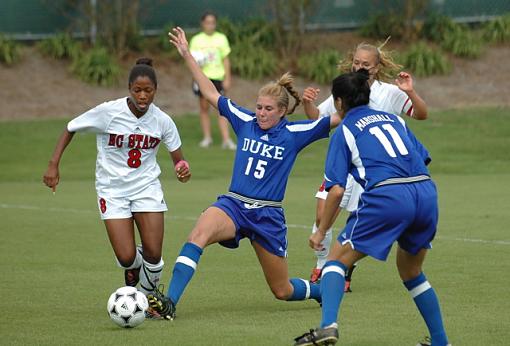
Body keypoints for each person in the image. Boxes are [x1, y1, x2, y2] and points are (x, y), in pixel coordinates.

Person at [146, 27, 340, 321]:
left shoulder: (295, 133)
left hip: (268, 216)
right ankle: (169, 303)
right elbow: (211, 92)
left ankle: (322, 291)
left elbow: (340, 118)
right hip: (233, 205)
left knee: (282, 290)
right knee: (198, 233)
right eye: (259, 107)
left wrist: (364, 97)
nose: (261, 113)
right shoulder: (245, 121)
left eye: (268, 109)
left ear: (283, 112)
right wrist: (187, 54)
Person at [293, 70, 449, 346]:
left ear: (339, 102)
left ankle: (328, 325)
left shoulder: (345, 130)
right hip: (425, 193)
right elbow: (421, 159)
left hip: (389, 196)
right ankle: (440, 341)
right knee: (411, 272)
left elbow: (337, 190)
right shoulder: (394, 120)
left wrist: (321, 232)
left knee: (335, 261)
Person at [42, 58, 191, 315]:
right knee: (126, 258)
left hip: (146, 188)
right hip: (112, 190)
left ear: (156, 89)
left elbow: (179, 160)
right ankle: (138, 271)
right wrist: (53, 164)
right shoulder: (108, 112)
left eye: (148, 90)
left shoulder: (163, 121)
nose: (143, 96)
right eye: (137, 90)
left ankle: (146, 301)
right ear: (129, 89)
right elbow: (70, 128)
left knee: (154, 254)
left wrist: (182, 170)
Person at [303, 40, 429, 291]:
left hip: (374, 171)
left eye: (366, 64)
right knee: (322, 213)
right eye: (357, 62)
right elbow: (320, 118)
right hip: (345, 164)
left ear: (377, 66)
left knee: (357, 219)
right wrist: (308, 104)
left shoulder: (389, 92)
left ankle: (341, 268)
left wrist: (410, 91)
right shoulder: (346, 88)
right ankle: (322, 266)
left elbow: (421, 113)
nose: (360, 67)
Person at [189, 11, 236, 150]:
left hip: (218, 77)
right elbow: (192, 61)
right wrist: (195, 77)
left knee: (222, 108)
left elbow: (226, 59)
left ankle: (226, 140)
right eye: (207, 22)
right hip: (203, 78)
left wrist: (227, 78)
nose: (210, 25)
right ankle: (207, 138)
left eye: (212, 22)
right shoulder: (196, 40)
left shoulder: (221, 38)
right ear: (202, 23)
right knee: (204, 108)